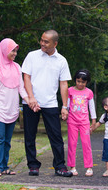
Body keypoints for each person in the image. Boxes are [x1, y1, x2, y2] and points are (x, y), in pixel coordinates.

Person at [21, 30, 73, 177]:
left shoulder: (61, 60)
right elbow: (26, 77)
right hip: (31, 102)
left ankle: (59, 166)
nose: (42, 43)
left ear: (55, 43)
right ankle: (33, 165)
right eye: (41, 40)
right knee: (30, 135)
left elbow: (64, 84)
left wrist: (64, 106)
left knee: (56, 136)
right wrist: (31, 98)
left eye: (46, 41)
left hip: (50, 103)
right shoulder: (32, 56)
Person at [0, 38, 29, 177]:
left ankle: (4, 167)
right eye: (12, 50)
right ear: (4, 50)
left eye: (16, 51)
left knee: (7, 142)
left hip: (12, 110)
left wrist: (30, 101)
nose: (15, 53)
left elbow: (21, 89)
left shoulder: (17, 67)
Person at [67, 69, 97, 177]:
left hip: (84, 122)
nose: (80, 84)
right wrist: (65, 112)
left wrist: (93, 120)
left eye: (83, 82)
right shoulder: (70, 90)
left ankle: (89, 167)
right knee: (72, 143)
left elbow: (91, 107)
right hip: (72, 121)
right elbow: (67, 104)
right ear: (75, 80)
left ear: (86, 82)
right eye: (78, 81)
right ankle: (72, 166)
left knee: (86, 143)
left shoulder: (89, 92)